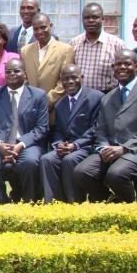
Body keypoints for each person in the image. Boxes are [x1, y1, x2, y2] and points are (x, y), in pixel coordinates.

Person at [74, 50, 137, 203]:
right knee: (82, 172)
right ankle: (113, 204)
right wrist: (103, 147)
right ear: (113, 68)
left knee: (116, 174)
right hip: (112, 151)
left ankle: (129, 213)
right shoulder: (108, 98)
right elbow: (101, 130)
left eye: (127, 64)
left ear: (136, 67)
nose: (122, 67)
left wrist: (124, 148)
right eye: (118, 64)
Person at [0, 59, 49, 203]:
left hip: (26, 144)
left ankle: (29, 201)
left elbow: (42, 128)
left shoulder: (38, 95)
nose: (12, 74)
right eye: (8, 71)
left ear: (25, 74)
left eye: (16, 71)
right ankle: (1, 200)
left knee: (30, 161)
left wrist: (20, 144)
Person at [39, 65, 103, 203]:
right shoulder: (60, 104)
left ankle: (73, 203)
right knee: (47, 159)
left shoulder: (95, 97)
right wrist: (59, 144)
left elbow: (96, 128)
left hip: (88, 147)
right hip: (67, 148)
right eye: (65, 79)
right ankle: (54, 204)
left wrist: (75, 145)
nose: (69, 82)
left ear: (82, 78)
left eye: (74, 77)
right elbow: (58, 131)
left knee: (70, 160)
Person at [20, 13, 75, 115]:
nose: (39, 31)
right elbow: (24, 78)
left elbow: (64, 82)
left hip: (55, 110)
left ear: (51, 26)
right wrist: (32, 101)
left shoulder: (65, 50)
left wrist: (45, 102)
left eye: (43, 27)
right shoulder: (25, 51)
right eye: (35, 29)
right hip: (30, 110)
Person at [70, 3, 126, 93]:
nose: (91, 20)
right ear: (82, 20)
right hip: (81, 98)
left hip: (106, 97)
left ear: (102, 19)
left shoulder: (117, 45)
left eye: (95, 17)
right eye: (87, 18)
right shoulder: (74, 43)